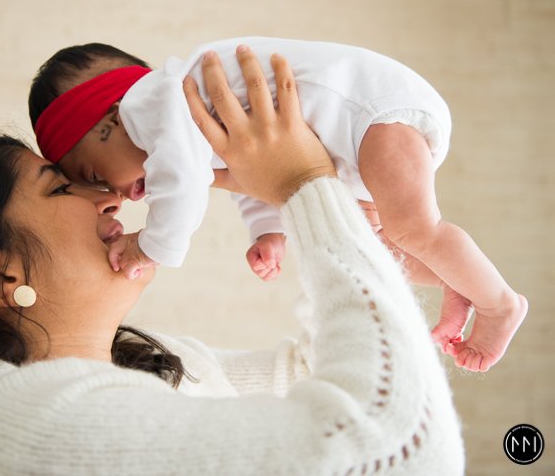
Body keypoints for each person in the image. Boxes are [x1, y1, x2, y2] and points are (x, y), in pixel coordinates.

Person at [0, 52, 465, 475]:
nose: (110, 198)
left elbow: (325, 374)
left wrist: (329, 210)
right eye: (63, 188)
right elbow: (396, 449)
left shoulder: (165, 364)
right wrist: (305, 187)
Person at [27, 37, 527, 372]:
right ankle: (460, 278)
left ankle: (500, 304)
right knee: (378, 242)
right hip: (346, 147)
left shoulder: (153, 104)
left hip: (371, 114)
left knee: (414, 229)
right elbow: (248, 174)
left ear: (113, 116)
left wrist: (150, 246)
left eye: (95, 175)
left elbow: (183, 183)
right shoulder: (181, 126)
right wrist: (268, 229)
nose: (114, 198)